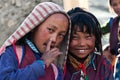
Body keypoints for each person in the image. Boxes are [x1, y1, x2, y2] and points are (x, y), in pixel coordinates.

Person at [0, 2, 71, 80]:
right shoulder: (13, 53)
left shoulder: (55, 71)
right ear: (34, 26)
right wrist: (41, 64)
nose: (54, 39)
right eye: (50, 30)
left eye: (61, 35)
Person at [63, 7, 114, 80]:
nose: (82, 43)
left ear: (96, 38)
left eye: (88, 37)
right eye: (74, 37)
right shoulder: (59, 65)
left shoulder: (103, 65)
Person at [101, 0, 120, 68]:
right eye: (115, 5)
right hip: (116, 59)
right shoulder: (113, 22)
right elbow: (100, 31)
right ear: (111, 7)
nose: (118, 7)